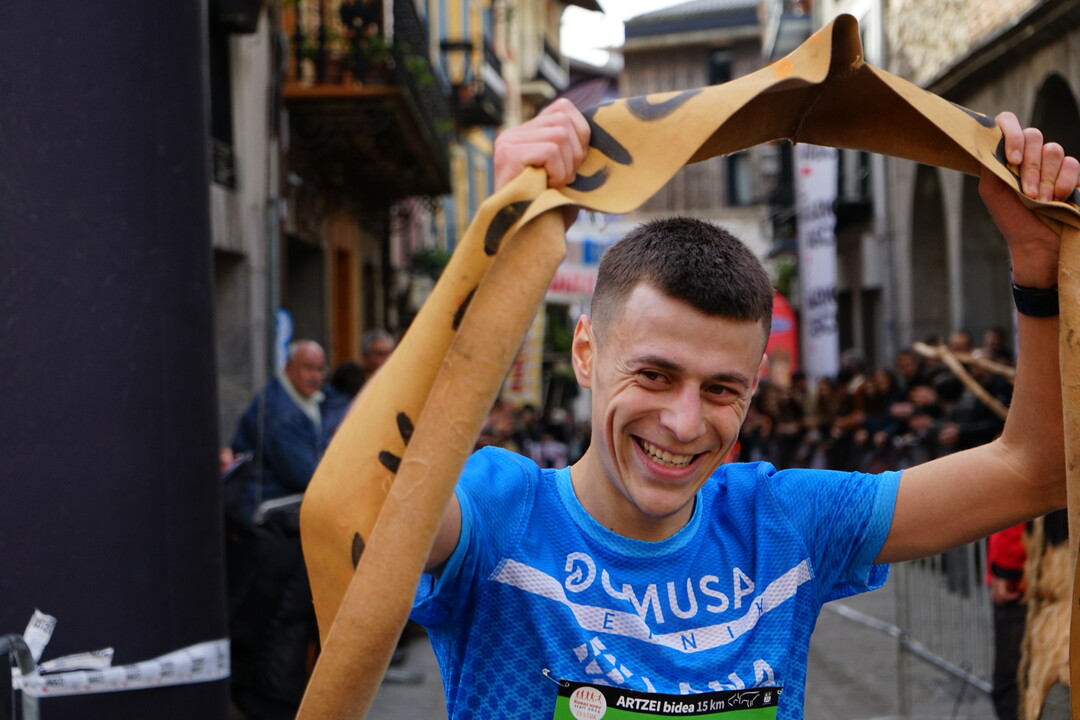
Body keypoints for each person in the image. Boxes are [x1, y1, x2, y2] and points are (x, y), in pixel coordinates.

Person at [410, 98, 1076, 719]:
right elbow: (372, 509)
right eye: (654, 375)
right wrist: (494, 250)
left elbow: (1037, 471)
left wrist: (1038, 271)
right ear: (586, 352)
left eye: (721, 389)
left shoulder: (782, 524)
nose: (684, 422)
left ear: (755, 384)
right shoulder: (501, 516)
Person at [228, 339, 332, 719]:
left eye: (320, 368)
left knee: (277, 622)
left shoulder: (297, 402)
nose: (315, 376)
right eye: (307, 367)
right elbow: (307, 473)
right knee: (276, 622)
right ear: (289, 367)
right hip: (270, 533)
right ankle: (270, 702)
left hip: (278, 531)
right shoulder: (282, 412)